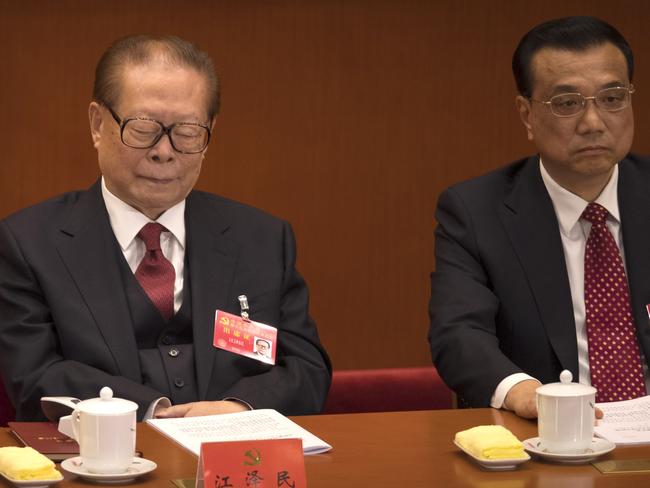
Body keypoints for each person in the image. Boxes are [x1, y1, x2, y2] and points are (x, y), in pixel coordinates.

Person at [0, 35, 331, 421]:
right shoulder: (29, 243)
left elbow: (308, 370)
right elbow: (34, 376)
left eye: (188, 131)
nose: (164, 151)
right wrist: (153, 413)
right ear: (96, 124)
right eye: (144, 129)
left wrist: (237, 410)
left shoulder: (262, 239)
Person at [429, 16, 650, 419]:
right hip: (546, 436)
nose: (593, 123)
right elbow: (459, 334)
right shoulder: (476, 212)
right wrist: (524, 393)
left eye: (612, 98)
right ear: (527, 114)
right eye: (567, 103)